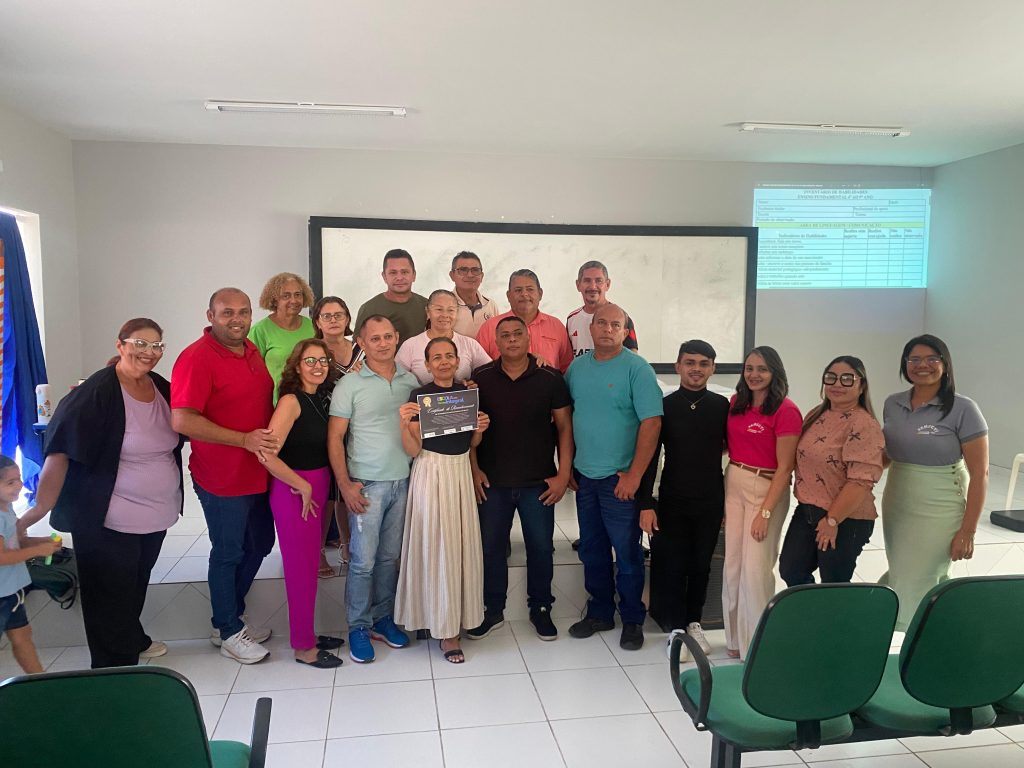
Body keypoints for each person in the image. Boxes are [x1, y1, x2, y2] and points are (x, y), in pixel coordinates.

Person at [20, 319, 183, 668]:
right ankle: (113, 671)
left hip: (156, 514)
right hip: (107, 519)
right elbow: (59, 452)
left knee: (134, 586)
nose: (149, 352)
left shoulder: (160, 387)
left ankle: (131, 639)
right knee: (108, 597)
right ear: (120, 345)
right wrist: (38, 510)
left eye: (156, 346)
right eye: (140, 343)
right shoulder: (94, 393)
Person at [172, 289, 277, 665]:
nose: (237, 319)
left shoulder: (251, 350)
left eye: (243, 312)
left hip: (258, 472)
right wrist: (243, 440)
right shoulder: (196, 358)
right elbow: (182, 420)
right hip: (221, 476)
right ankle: (229, 629)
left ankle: (228, 616)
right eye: (227, 312)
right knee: (229, 551)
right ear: (211, 315)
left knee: (260, 543)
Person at [467, 316, 573, 642]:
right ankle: (492, 609)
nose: (511, 340)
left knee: (540, 548)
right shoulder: (480, 378)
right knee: (491, 548)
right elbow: (470, 427)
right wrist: (473, 469)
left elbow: (565, 427)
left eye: (517, 334)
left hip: (538, 482)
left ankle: (540, 608)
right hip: (492, 482)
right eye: (505, 335)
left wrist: (563, 474)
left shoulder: (550, 378)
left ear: (529, 339)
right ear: (496, 342)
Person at [565, 304, 662, 650]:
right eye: (602, 323)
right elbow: (568, 418)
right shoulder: (576, 368)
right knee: (592, 550)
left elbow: (652, 423)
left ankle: (632, 618)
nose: (607, 329)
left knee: (627, 552)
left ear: (624, 331)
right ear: (590, 329)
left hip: (620, 481)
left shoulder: (637, 369)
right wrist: (569, 467)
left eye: (615, 325)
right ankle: (600, 612)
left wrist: (635, 476)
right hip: (585, 478)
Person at [879, 334, 988, 630]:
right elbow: (888, 455)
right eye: (914, 359)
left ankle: (925, 633)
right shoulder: (893, 403)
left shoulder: (963, 408)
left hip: (941, 504)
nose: (922, 365)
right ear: (905, 364)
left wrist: (968, 531)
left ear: (945, 364)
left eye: (931, 359)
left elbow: (980, 474)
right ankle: (910, 630)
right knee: (901, 569)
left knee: (925, 573)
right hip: (898, 498)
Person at [328, 315, 418, 663]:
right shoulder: (349, 384)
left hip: (403, 481)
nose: (382, 343)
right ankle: (358, 627)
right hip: (366, 485)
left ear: (397, 338)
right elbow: (335, 437)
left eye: (387, 337)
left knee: (389, 558)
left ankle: (382, 619)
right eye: (374, 338)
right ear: (361, 344)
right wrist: (345, 485)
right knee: (363, 562)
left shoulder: (410, 381)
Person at [395, 338, 490, 663]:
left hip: (460, 471)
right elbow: (413, 450)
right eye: (437, 357)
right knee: (434, 546)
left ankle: (454, 623)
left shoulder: (467, 393)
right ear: (427, 364)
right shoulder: (418, 397)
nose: (444, 361)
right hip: (430, 472)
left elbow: (472, 442)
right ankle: (437, 625)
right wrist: (404, 424)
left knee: (458, 546)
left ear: (458, 360)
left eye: (449, 355)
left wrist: (480, 428)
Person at [638, 340, 728, 658]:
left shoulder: (722, 407)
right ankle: (676, 629)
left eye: (704, 363)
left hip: (710, 499)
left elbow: (733, 451)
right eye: (690, 362)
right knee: (673, 565)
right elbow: (651, 457)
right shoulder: (664, 406)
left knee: (701, 565)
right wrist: (646, 502)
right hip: (672, 499)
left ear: (713, 368)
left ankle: (694, 622)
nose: (696, 369)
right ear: (678, 366)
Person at [259, 339, 344, 668]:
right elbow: (266, 454)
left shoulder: (320, 397)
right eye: (310, 361)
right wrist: (301, 484)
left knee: (309, 566)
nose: (317, 366)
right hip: (294, 491)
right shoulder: (291, 402)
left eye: (323, 361)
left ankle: (307, 633)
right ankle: (303, 647)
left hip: (315, 486)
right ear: (296, 366)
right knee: (300, 570)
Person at [723, 346, 801, 660]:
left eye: (763, 369)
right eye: (750, 368)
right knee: (733, 565)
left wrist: (765, 512)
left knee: (755, 570)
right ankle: (734, 640)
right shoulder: (735, 403)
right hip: (734, 481)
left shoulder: (786, 410)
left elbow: (785, 468)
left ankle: (757, 644)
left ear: (775, 373)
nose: (754, 375)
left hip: (766, 487)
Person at [779, 356, 884, 588]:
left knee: (833, 583)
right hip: (808, 509)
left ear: (861, 386)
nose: (837, 384)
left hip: (846, 518)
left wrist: (832, 520)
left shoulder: (864, 424)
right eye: (831, 377)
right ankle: (813, 609)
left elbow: (860, 481)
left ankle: (830, 612)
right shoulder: (817, 414)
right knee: (791, 570)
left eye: (847, 379)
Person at [312, 295, 364, 573]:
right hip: (321, 429)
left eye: (339, 315)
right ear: (317, 321)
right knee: (326, 494)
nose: (333, 320)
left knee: (346, 489)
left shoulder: (361, 349)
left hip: (355, 429)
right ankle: (318, 550)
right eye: (327, 316)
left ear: (347, 319)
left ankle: (346, 544)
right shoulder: (312, 350)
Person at [1, 455, 62, 674]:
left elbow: (15, 543)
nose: (19, 485)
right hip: (2, 594)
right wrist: (37, 551)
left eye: (19, 479)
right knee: (21, 637)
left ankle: (39, 680)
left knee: (23, 636)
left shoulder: (7, 508)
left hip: (12, 591)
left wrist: (42, 543)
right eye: (10, 482)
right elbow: (2, 557)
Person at [476, 269, 574, 373]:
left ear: (540, 294)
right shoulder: (490, 327)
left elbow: (567, 369)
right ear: (508, 296)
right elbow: (479, 371)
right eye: (518, 290)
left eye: (530, 289)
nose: (524, 294)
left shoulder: (556, 326)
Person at [396, 289, 492, 385]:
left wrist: (474, 383)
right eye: (439, 309)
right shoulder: (410, 345)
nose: (445, 315)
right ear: (428, 312)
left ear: (457, 313)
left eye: (451, 310)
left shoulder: (469, 344)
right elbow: (397, 379)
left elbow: (490, 373)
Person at [248, 272, 316, 401]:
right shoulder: (260, 330)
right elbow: (251, 373)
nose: (294, 300)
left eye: (298, 295)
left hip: (310, 400)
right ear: (275, 300)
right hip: (275, 403)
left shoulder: (312, 326)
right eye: (286, 296)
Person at [354, 249, 429, 349]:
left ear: (414, 275)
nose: (399, 278)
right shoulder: (369, 309)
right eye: (393, 273)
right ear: (384, 276)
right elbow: (358, 349)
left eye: (404, 272)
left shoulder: (427, 306)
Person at [566, 260, 639, 358]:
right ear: (578, 285)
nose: (593, 286)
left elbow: (633, 359)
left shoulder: (621, 317)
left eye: (598, 281)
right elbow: (567, 358)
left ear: (607, 284)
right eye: (587, 280)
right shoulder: (572, 319)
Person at [450, 251, 502, 338]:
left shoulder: (490, 305)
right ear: (452, 275)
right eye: (463, 270)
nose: (470, 275)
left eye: (475, 270)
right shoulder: (444, 305)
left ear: (482, 276)